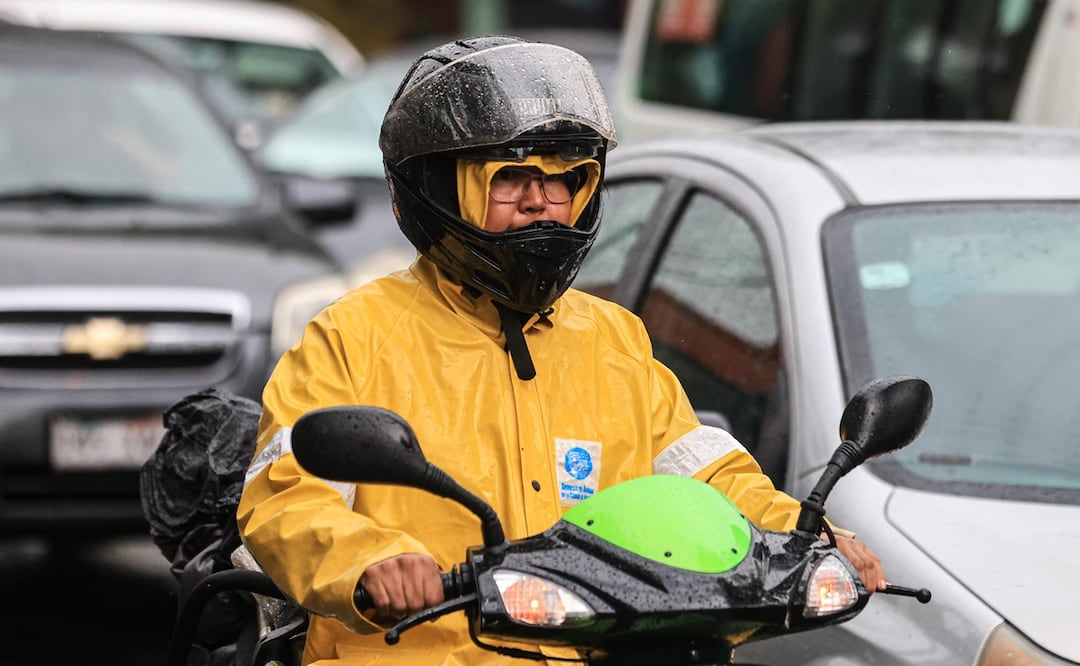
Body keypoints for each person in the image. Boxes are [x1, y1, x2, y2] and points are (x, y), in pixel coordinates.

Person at [236, 35, 886, 665]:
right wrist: (370, 560)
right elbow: (287, 497)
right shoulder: (351, 336)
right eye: (510, 178)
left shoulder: (614, 339)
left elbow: (705, 477)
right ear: (435, 190)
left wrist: (799, 531)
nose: (541, 203)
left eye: (566, 180)